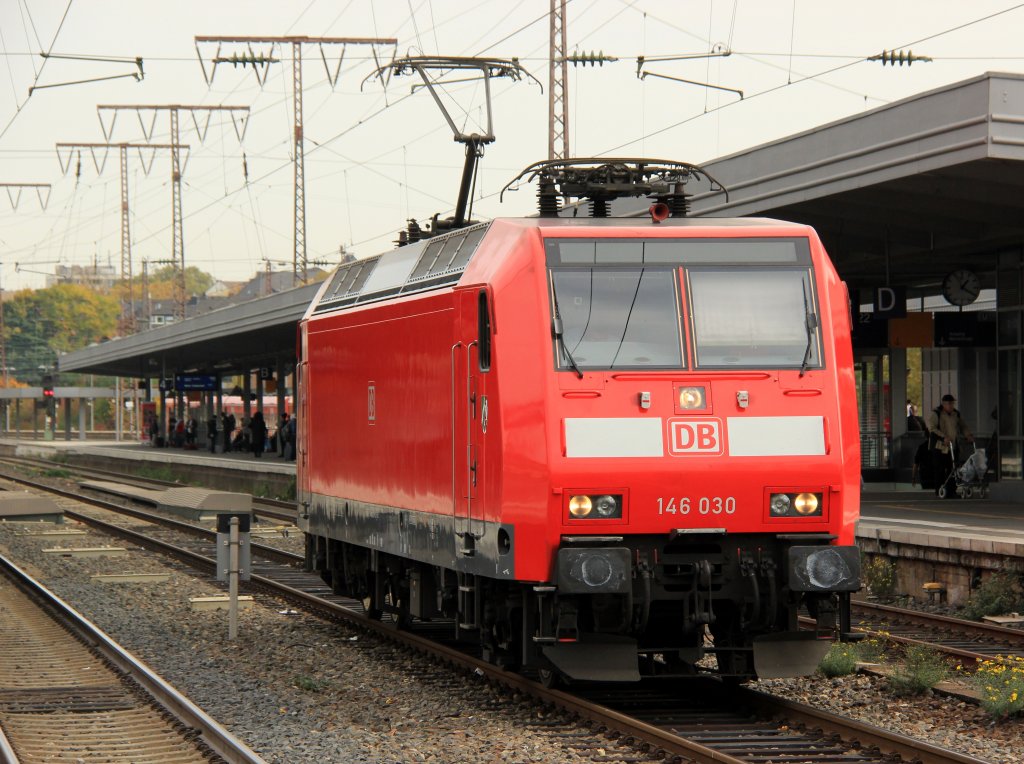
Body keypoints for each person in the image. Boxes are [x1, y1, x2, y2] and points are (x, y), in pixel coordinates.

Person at [928, 394, 974, 497]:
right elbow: (932, 429)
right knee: (939, 469)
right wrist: (943, 437)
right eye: (948, 404)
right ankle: (939, 490)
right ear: (943, 404)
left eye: (952, 403)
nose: (951, 405)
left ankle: (951, 491)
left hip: (953, 446)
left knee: (953, 469)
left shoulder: (956, 414)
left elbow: (963, 426)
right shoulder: (937, 413)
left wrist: (968, 435)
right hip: (940, 447)